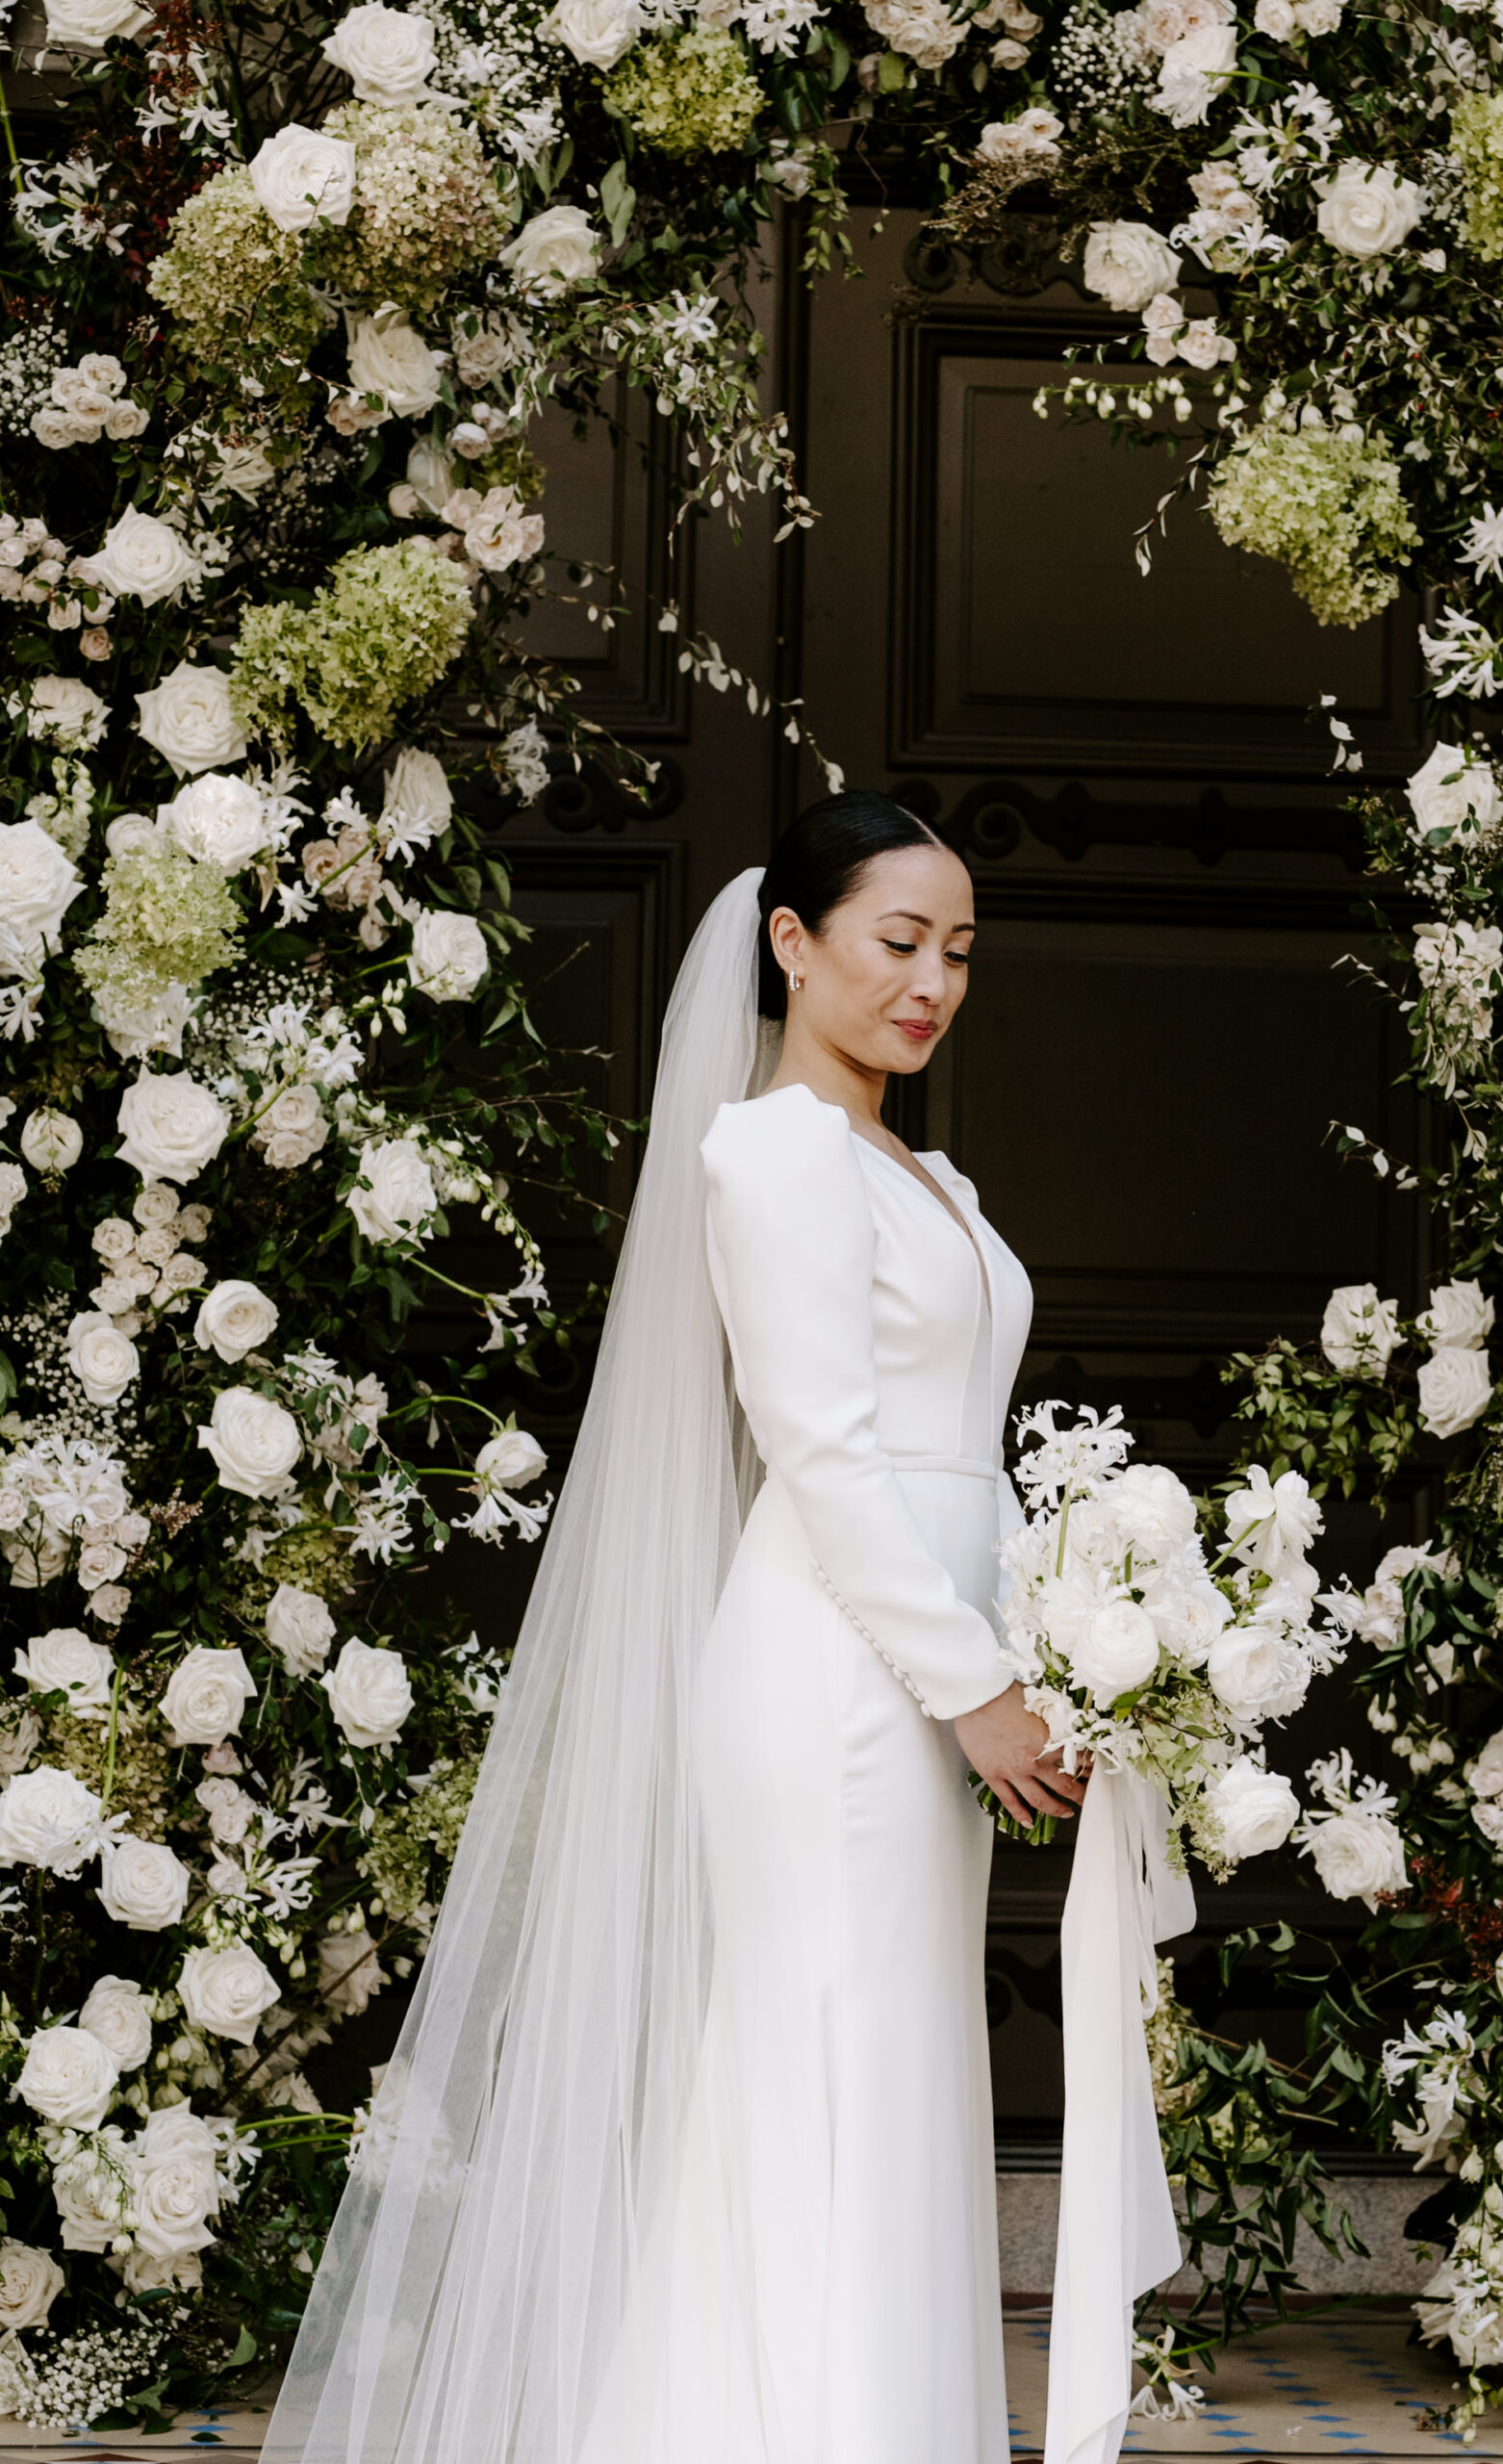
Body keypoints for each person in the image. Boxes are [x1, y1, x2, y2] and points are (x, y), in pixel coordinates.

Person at [260, 793, 1081, 2464]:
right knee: (821, 2063)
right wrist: (977, 1685)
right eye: (898, 942)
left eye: (960, 953)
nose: (932, 983)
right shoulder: (769, 1150)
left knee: (897, 2072)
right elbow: (824, 1448)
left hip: (938, 1667)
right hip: (839, 1679)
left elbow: (963, 1446)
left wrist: (1070, 1637)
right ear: (794, 942)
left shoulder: (927, 1171)